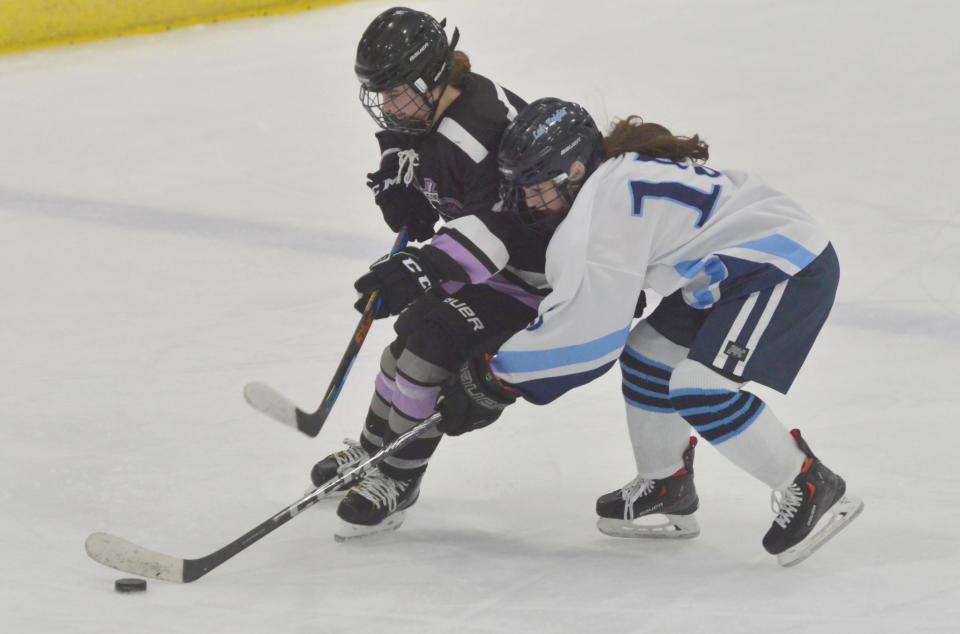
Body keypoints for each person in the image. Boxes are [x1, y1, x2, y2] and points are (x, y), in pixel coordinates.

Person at [439, 98, 864, 565]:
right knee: (649, 355)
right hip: (728, 265)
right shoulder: (613, 174)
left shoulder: (599, 217)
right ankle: (667, 483)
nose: (532, 201)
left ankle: (807, 482)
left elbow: (588, 337)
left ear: (576, 168)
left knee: (699, 387)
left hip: (785, 265)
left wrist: (498, 376)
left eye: (540, 186)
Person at [309, 7, 553, 541]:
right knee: (402, 349)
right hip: (492, 267)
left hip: (536, 282)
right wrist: (399, 183)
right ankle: (374, 451)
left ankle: (398, 479)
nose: (386, 106)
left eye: (395, 92)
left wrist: (423, 267)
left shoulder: (479, 131)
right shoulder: (428, 111)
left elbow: (503, 229)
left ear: (429, 78)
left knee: (426, 351)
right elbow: (411, 145)